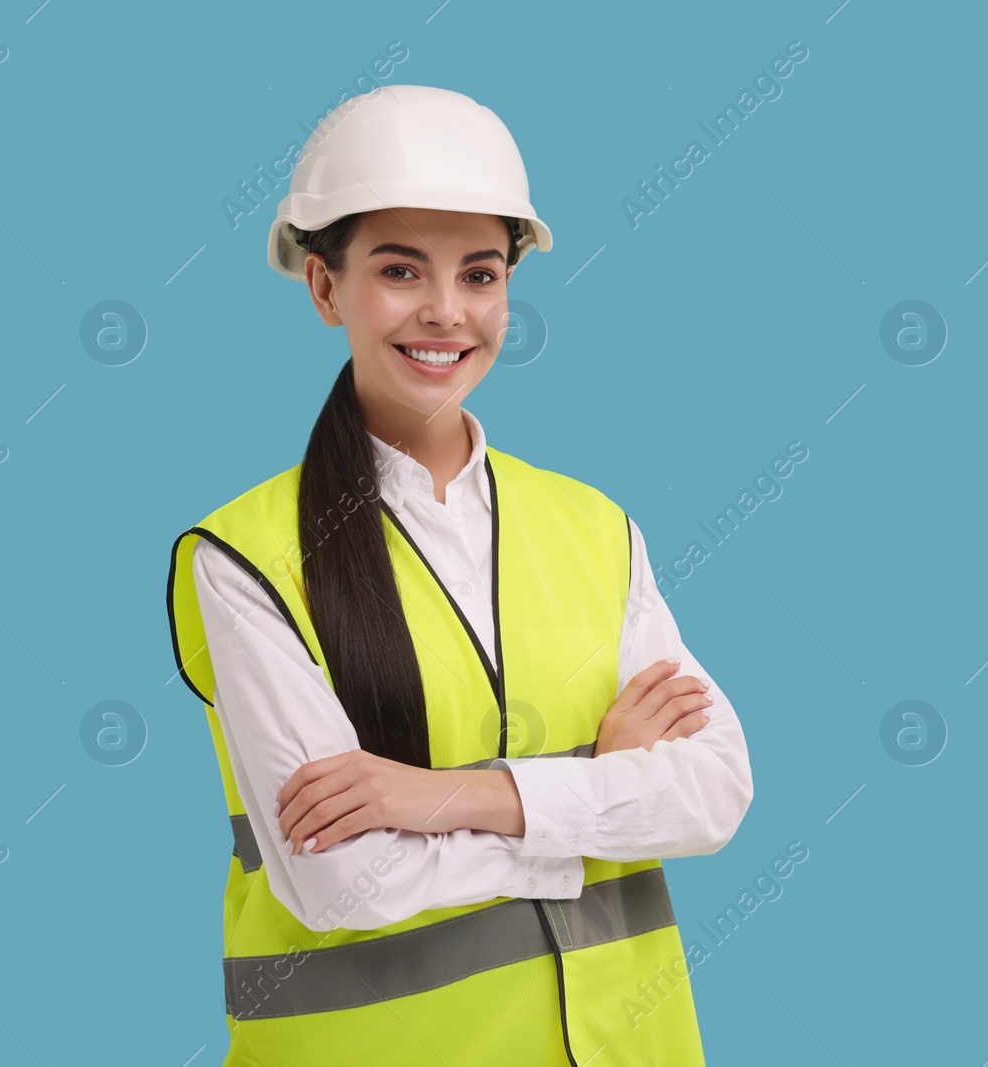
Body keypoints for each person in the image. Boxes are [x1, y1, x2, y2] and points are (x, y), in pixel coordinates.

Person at [164, 84, 753, 1066]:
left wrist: (435, 798)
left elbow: (713, 792)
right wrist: (599, 788)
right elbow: (338, 880)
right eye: (400, 270)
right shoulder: (248, 557)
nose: (446, 312)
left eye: (479, 274)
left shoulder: (592, 526)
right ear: (324, 287)